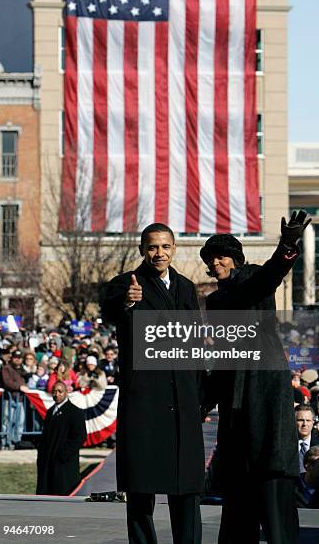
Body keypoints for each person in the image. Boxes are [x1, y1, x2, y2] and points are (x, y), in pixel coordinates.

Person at [200, 210, 311, 544]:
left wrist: (287, 245)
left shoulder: (251, 280)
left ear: (234, 259)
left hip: (263, 390)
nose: (215, 261)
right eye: (210, 257)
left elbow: (271, 276)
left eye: (220, 255)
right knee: (238, 493)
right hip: (236, 398)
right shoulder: (215, 301)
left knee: (272, 485)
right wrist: (202, 403)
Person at [101, 223, 204, 544]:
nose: (159, 253)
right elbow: (110, 310)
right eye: (152, 247)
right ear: (142, 250)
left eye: (165, 247)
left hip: (182, 399)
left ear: (174, 249)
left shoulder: (186, 287)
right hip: (145, 400)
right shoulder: (126, 284)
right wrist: (128, 302)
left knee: (186, 488)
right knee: (141, 489)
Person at [36, 381, 86, 495]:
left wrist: (63, 455)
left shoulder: (75, 412)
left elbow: (80, 437)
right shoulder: (50, 412)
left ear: (66, 392)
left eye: (60, 391)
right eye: (54, 391)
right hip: (48, 461)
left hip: (64, 464)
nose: (57, 394)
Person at [1, 350, 30, 449]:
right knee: (7, 421)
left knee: (20, 422)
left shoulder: (23, 370)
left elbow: (27, 383)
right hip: (9, 399)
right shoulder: (6, 368)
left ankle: (16, 442)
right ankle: (5, 442)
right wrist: (19, 387)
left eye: (20, 357)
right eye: (15, 357)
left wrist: (23, 385)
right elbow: (7, 382)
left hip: (21, 399)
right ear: (12, 358)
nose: (17, 359)